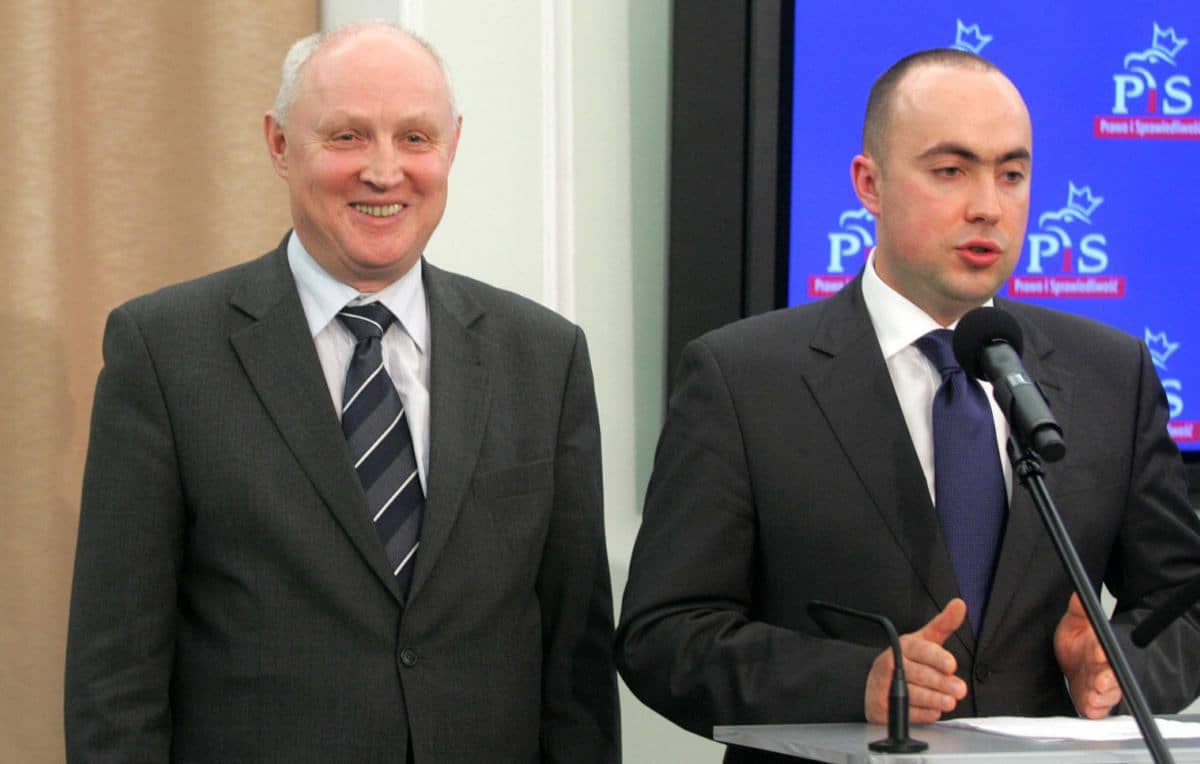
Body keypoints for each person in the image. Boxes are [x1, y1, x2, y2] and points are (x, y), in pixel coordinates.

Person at [615, 49, 1200, 761]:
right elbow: (664, 635)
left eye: (1011, 174)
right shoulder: (742, 378)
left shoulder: (1110, 373)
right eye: (950, 171)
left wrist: (1117, 673)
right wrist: (855, 682)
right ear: (871, 184)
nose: (988, 204)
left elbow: (1182, 604)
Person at [65, 22, 619, 764]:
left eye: (415, 138)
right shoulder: (164, 352)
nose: (385, 172)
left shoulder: (544, 356)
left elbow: (576, 671)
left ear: (452, 144)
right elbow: (115, 677)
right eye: (348, 137)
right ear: (279, 144)